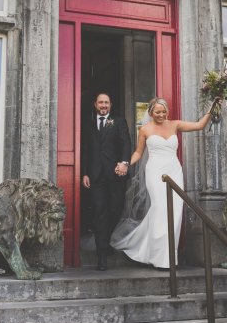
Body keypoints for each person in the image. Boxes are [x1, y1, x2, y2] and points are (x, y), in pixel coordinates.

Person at [111, 97, 218, 269]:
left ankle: (167, 257)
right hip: (155, 172)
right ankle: (158, 256)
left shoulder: (175, 124)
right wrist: (125, 164)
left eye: (163, 112)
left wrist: (212, 108)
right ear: (151, 112)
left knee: (175, 211)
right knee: (161, 208)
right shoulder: (145, 129)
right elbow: (138, 153)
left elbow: (199, 125)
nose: (161, 115)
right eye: (157, 112)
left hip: (174, 170)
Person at [81, 92, 131, 271]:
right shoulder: (87, 124)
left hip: (116, 175)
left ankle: (105, 239)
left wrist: (124, 163)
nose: (103, 105)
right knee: (100, 213)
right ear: (95, 104)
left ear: (110, 105)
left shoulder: (119, 122)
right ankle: (101, 256)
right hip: (95, 177)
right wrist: (85, 173)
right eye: (100, 102)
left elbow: (126, 144)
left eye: (106, 102)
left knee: (115, 210)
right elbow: (85, 150)